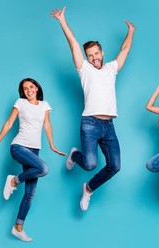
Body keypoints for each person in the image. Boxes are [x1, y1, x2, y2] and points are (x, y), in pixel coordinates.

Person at [50, 6, 136, 211]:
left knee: (115, 166)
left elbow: (124, 50)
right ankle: (74, 155)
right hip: (90, 123)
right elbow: (73, 45)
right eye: (90, 55)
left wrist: (131, 31)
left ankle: (88, 188)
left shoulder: (111, 69)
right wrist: (62, 21)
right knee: (89, 164)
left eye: (96, 53)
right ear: (87, 57)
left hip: (109, 125)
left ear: (102, 52)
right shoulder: (84, 69)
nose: (94, 57)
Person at [0, 78, 66, 242]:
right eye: (25, 88)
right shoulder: (20, 103)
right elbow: (9, 123)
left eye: (31, 87)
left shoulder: (44, 105)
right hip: (19, 147)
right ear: (22, 92)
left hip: (35, 150)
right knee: (43, 169)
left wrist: (52, 145)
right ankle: (14, 181)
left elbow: (47, 125)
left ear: (37, 88)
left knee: (30, 194)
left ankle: (18, 227)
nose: (28, 90)